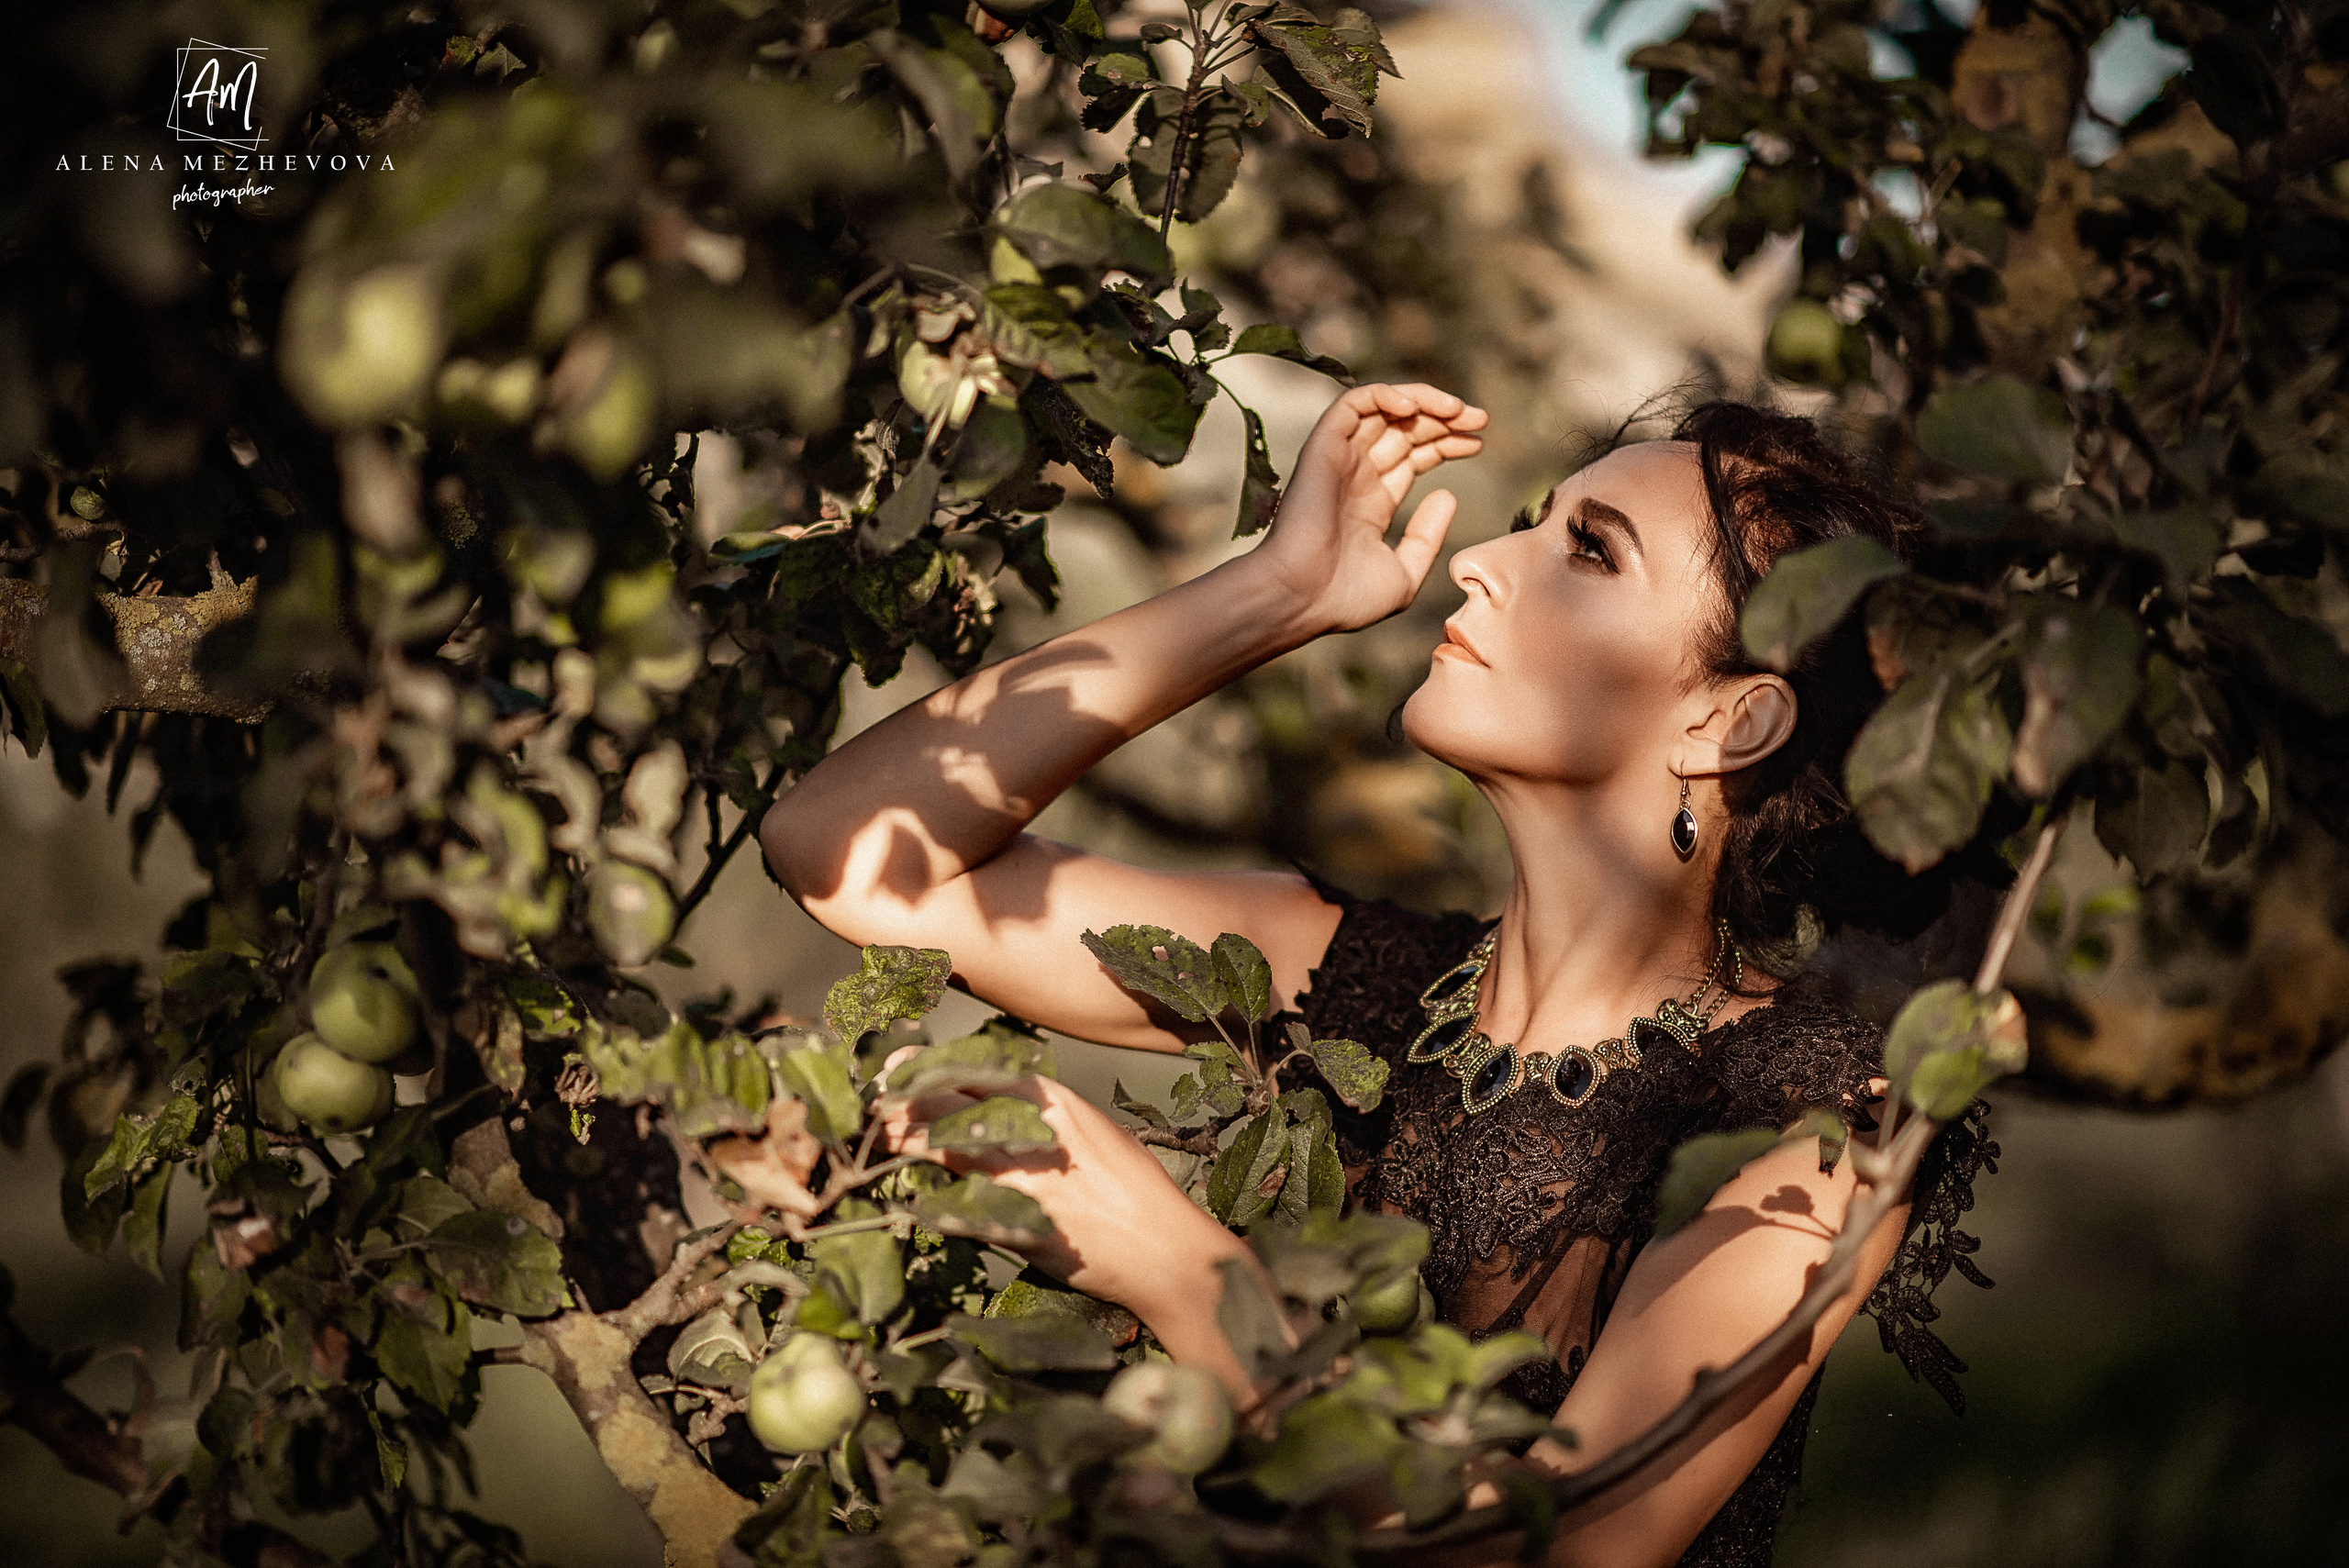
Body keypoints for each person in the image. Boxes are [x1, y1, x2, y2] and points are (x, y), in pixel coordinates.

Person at [761, 383, 1993, 1567]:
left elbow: (1561, 1549)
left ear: (1729, 725)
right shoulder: (1361, 983)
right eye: (1535, 521)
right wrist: (1275, 589)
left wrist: (1183, 1273)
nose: (1482, 560)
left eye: (1590, 551)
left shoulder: (1812, 1113)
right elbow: (856, 858)